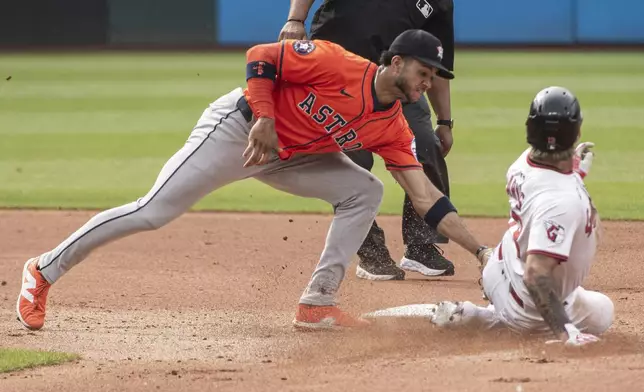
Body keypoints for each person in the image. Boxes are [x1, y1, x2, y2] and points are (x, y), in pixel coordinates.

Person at [16, 29, 492, 332]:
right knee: (152, 211)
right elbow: (262, 56)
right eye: (423, 71)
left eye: (434, 76)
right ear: (396, 63)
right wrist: (264, 116)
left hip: (293, 156)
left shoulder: (395, 128)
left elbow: (426, 196)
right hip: (239, 130)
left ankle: (317, 303)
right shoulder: (338, 63)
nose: (428, 83)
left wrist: (480, 251)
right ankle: (43, 269)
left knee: (364, 190)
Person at [278, 0, 457, 280]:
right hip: (338, 73)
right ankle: (371, 252)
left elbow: (437, 66)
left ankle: (421, 246)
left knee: (425, 145)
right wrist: (296, 20)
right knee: (352, 163)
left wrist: (445, 121)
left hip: (398, 81)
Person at [425, 86, 614, 346]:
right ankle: (491, 320)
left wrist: (574, 173)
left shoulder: (523, 163)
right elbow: (537, 274)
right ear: (577, 131)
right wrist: (565, 331)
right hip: (532, 308)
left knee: (596, 307)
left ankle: (477, 316)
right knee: (604, 312)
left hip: (500, 269)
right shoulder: (562, 199)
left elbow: (547, 184)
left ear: (530, 129)